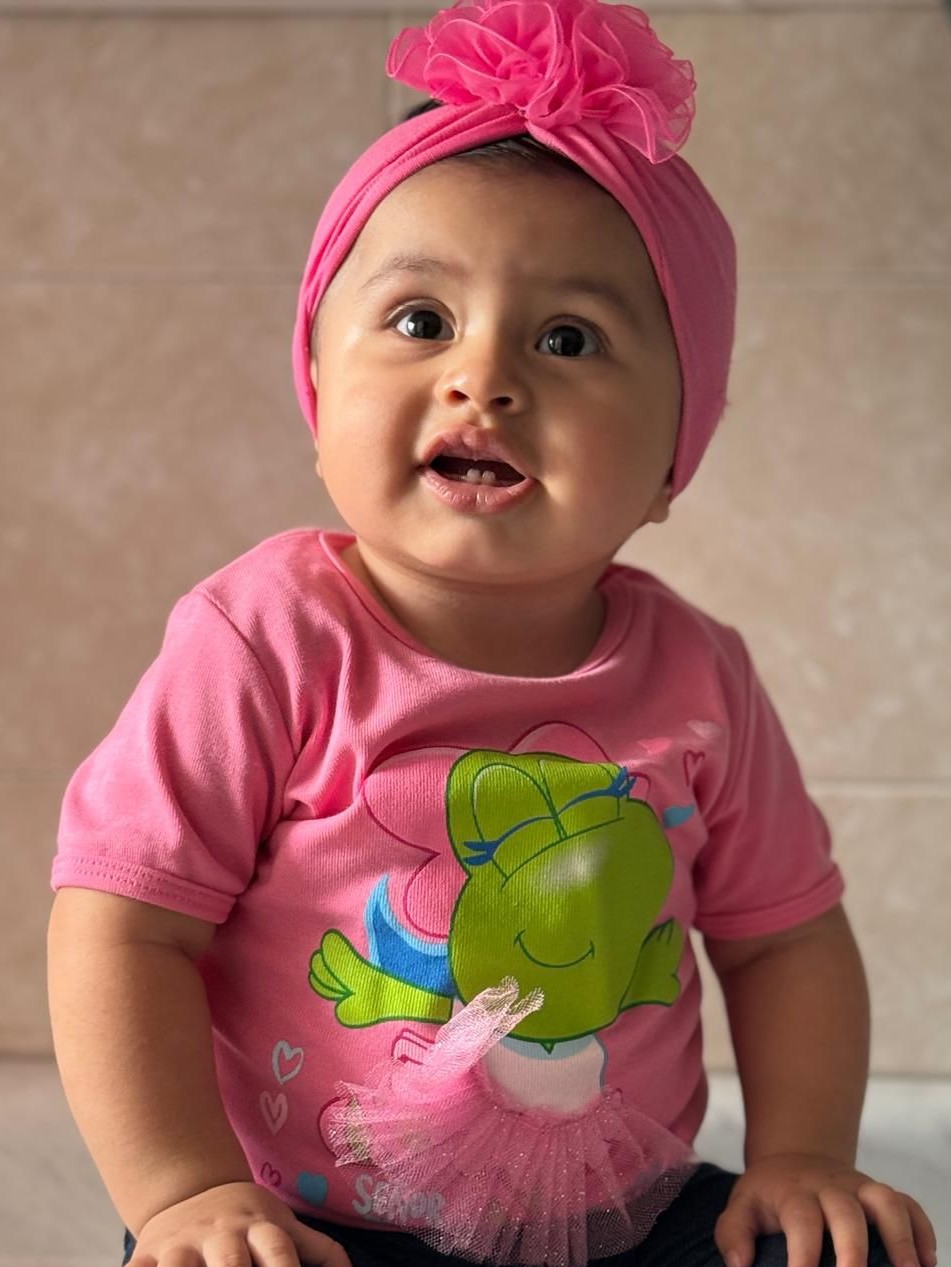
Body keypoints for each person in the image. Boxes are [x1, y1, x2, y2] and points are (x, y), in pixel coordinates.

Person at [47, 3, 937, 1267]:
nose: (484, 378)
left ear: (673, 457)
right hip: (308, 1224)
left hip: (623, 1220)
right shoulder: (263, 641)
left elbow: (786, 938)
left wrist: (802, 1156)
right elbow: (124, 921)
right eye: (421, 321)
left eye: (568, 338)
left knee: (842, 1247)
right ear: (318, 387)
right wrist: (182, 1189)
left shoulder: (700, 674)